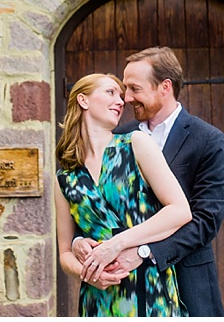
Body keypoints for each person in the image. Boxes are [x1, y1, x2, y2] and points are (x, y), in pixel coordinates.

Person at [73, 47, 224, 316]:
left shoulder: (208, 140)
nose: (127, 97)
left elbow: (206, 220)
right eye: (125, 89)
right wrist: (79, 240)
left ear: (164, 87)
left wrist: (147, 251)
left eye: (134, 88)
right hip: (123, 290)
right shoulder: (117, 137)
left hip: (187, 281)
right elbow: (96, 203)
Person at [55, 73, 192, 316]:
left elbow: (180, 210)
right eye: (110, 92)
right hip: (97, 299)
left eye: (121, 96)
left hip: (148, 287)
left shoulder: (135, 144)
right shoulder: (65, 177)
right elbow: (65, 253)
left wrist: (115, 245)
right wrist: (87, 274)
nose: (121, 101)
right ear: (83, 101)